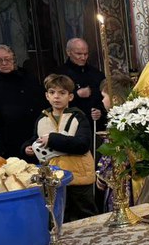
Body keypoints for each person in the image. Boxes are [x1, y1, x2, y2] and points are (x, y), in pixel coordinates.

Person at [23, 74, 96, 222]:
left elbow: (82, 144)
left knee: (85, 214)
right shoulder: (42, 118)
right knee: (60, 216)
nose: (56, 97)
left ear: (70, 97)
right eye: (52, 92)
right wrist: (27, 147)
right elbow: (35, 138)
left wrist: (52, 139)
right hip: (54, 177)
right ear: (47, 96)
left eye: (62, 93)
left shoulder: (78, 117)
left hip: (79, 176)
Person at [0, 45, 46, 159]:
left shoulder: (26, 76)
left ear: (14, 59)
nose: (4, 63)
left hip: (30, 133)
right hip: (4, 137)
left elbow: (41, 101)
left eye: (7, 59)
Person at [96, 74, 133, 212]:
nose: (102, 100)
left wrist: (101, 174)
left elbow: (112, 152)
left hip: (122, 178)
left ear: (115, 99)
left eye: (103, 96)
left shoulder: (118, 122)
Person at [60, 38, 106, 127]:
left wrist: (100, 111)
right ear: (68, 52)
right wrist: (76, 94)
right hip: (71, 123)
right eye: (79, 54)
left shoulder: (96, 74)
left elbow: (104, 96)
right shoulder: (60, 74)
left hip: (94, 124)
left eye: (86, 54)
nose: (83, 57)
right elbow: (55, 99)